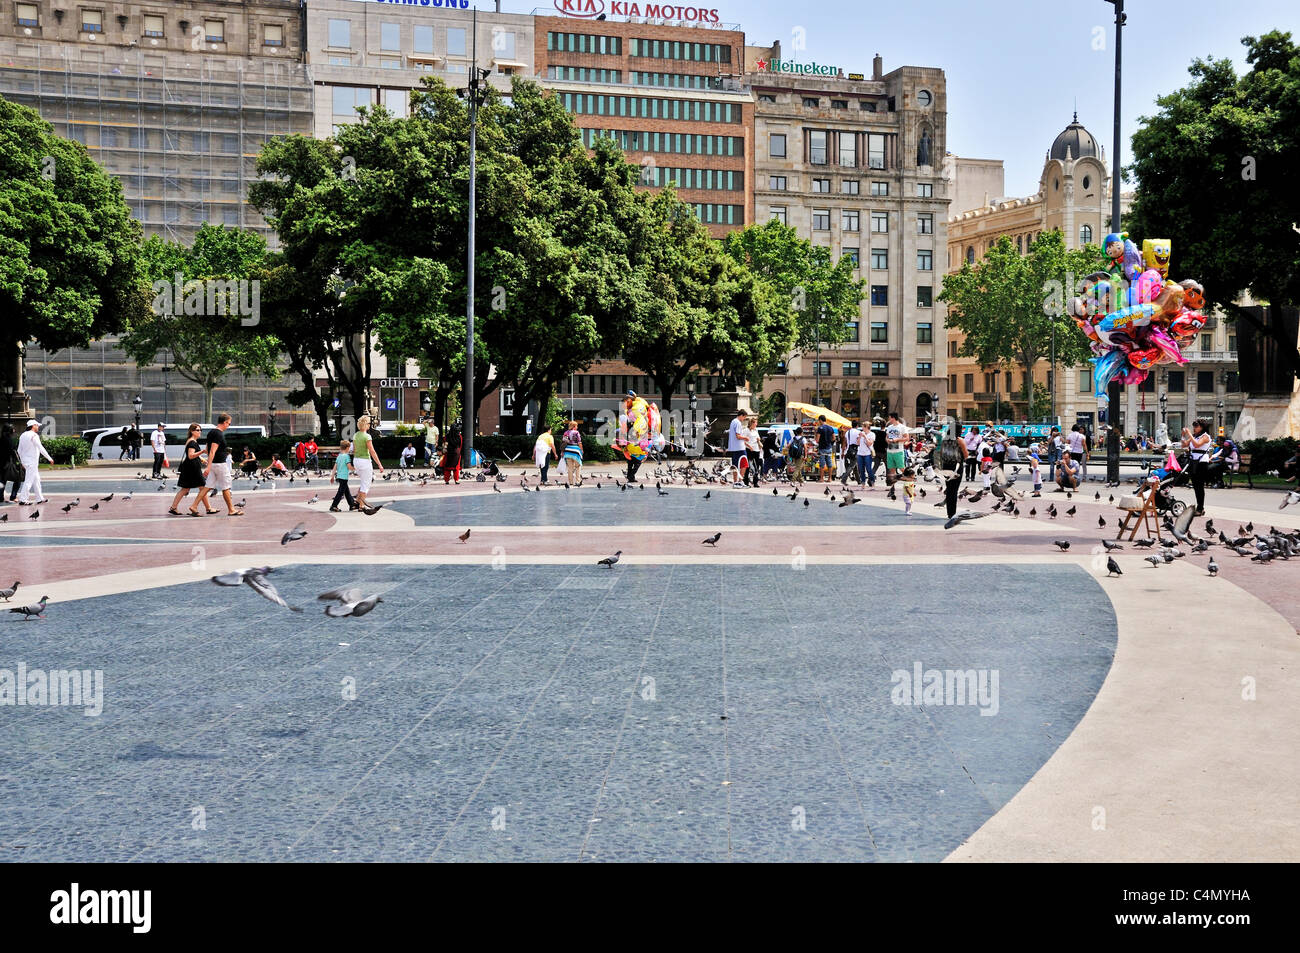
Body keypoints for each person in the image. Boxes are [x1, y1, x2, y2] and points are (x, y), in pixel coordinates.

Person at [191, 413, 239, 516]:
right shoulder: (219, 434)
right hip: (220, 465)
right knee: (226, 487)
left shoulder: (211, 432)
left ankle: (194, 506)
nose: (229, 426)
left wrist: (209, 463)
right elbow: (212, 451)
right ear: (225, 422)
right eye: (229, 424)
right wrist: (208, 467)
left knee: (207, 486)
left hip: (213, 464)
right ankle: (231, 510)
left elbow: (208, 449)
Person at [169, 424, 211, 516]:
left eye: (200, 430)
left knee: (186, 489)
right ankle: (207, 508)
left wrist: (201, 459)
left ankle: (173, 507)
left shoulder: (191, 441)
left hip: (190, 467)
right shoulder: (192, 442)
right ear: (192, 431)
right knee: (202, 488)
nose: (199, 432)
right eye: (197, 430)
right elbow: (190, 456)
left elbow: (193, 454)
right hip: (192, 468)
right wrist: (203, 452)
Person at [16, 419, 54, 505]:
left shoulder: (22, 435)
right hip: (32, 462)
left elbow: (19, 450)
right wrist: (49, 458)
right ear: (33, 426)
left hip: (26, 462)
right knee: (29, 481)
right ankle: (23, 499)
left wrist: (22, 462)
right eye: (37, 425)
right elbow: (40, 448)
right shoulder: (34, 435)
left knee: (36, 479)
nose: (38, 427)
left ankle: (39, 498)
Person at [1182, 419, 1213, 516]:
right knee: (1195, 485)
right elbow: (1184, 445)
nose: (1194, 428)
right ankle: (1199, 507)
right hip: (1193, 461)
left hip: (1201, 462)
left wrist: (1190, 434)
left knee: (1199, 485)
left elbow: (1197, 444)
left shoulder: (1205, 437)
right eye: (1194, 426)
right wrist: (1183, 435)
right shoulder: (1195, 436)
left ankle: (1200, 508)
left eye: (1196, 426)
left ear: (1202, 427)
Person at [352, 414, 384, 509]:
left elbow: (354, 450)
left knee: (363, 482)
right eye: (369, 423)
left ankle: (357, 501)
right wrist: (379, 464)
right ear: (365, 424)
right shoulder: (367, 436)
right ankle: (361, 505)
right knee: (366, 484)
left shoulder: (355, 435)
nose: (370, 425)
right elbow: (372, 451)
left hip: (356, 460)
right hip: (365, 461)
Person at [937, 423, 967, 519]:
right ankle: (952, 513)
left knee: (949, 489)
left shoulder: (944, 440)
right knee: (954, 490)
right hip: (956, 467)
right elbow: (966, 455)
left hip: (946, 466)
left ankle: (949, 512)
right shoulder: (959, 440)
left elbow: (941, 453)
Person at [330, 438, 359, 512]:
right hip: (344, 477)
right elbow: (349, 467)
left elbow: (335, 467)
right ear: (347, 448)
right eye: (349, 448)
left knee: (346, 491)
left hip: (339, 476)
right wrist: (356, 469)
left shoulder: (339, 456)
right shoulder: (346, 456)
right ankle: (334, 506)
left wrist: (332, 476)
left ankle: (352, 505)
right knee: (340, 492)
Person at [726, 408, 748, 485]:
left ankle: (735, 481)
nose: (744, 419)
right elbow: (738, 436)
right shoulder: (738, 423)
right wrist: (745, 438)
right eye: (744, 417)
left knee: (735, 465)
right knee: (744, 464)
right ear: (741, 415)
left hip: (733, 447)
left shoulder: (733, 421)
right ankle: (740, 481)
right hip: (740, 447)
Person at [884, 413, 907, 485]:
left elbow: (907, 438)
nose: (889, 419)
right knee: (891, 469)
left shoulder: (902, 427)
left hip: (898, 451)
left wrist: (897, 439)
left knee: (901, 468)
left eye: (890, 418)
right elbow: (887, 437)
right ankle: (892, 487)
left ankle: (910, 481)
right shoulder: (889, 427)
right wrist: (887, 440)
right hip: (890, 450)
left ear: (893, 418)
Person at [0, 424, 20, 503]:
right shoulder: (9, 440)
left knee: (2, 481)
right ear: (10, 430)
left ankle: (0, 498)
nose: (14, 430)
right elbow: (13, 451)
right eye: (13, 429)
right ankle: (13, 496)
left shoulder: (1, 439)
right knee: (18, 479)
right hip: (9, 463)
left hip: (1, 463)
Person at [562, 420, 584, 486]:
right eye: (576, 426)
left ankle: (571, 482)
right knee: (578, 466)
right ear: (574, 426)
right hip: (575, 451)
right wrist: (582, 450)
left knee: (570, 468)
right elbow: (579, 442)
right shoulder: (576, 433)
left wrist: (562, 451)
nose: (577, 427)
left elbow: (563, 443)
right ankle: (577, 481)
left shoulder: (566, 433)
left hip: (568, 451)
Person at [855, 422, 875, 487]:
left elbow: (870, 443)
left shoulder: (872, 434)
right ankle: (863, 483)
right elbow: (857, 443)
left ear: (866, 427)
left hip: (867, 454)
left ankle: (872, 482)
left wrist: (865, 437)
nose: (862, 428)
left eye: (863, 427)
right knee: (861, 469)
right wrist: (859, 437)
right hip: (860, 453)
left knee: (869, 469)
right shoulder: (861, 433)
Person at [744, 414, 762, 486]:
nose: (756, 424)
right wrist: (749, 446)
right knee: (748, 466)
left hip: (756, 449)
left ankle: (755, 482)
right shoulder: (746, 430)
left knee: (756, 466)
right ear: (751, 423)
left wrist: (758, 440)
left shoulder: (755, 430)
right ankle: (746, 482)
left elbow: (758, 438)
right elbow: (743, 441)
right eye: (755, 423)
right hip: (749, 450)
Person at [815, 415, 835, 481]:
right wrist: (829, 443)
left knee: (822, 464)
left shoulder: (820, 428)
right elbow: (834, 438)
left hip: (822, 448)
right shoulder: (830, 428)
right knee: (829, 464)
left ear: (820, 420)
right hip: (829, 448)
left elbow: (817, 439)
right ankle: (830, 478)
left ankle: (821, 479)